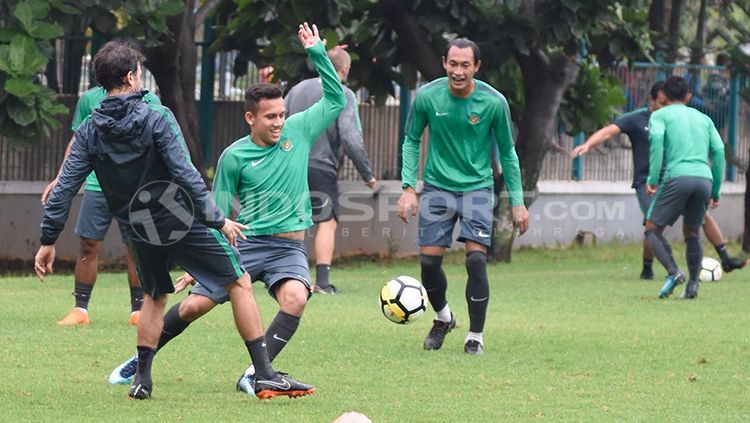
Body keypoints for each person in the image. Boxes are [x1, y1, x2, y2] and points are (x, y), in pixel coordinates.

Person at [34, 34, 316, 400]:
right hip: (179, 219)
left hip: (138, 227)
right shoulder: (157, 117)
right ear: (133, 77)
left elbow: (65, 187)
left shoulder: (89, 130)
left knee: (154, 296)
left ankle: (142, 380)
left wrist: (47, 240)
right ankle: (263, 373)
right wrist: (217, 219)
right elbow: (186, 175)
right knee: (239, 281)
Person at [107, 22, 345, 395]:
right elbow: (216, 207)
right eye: (270, 117)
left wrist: (317, 53)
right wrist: (197, 259)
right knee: (193, 307)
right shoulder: (234, 156)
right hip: (246, 244)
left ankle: (256, 373)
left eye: (282, 114)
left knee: (297, 297)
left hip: (289, 247)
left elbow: (336, 100)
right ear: (251, 118)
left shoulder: (299, 130)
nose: (279, 122)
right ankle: (141, 360)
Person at [396, 38, 529, 355]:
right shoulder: (428, 97)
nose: (458, 71)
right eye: (453, 64)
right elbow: (411, 140)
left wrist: (518, 201)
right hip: (437, 187)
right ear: (444, 63)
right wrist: (408, 188)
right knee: (429, 263)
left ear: (476, 67)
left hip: (477, 188)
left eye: (465, 65)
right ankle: (443, 318)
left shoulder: (494, 102)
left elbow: (508, 153)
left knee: (476, 259)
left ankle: (475, 336)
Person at [571, 81, 747, 278]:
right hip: (647, 183)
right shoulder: (636, 119)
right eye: (662, 103)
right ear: (652, 101)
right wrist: (587, 144)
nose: (666, 107)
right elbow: (608, 131)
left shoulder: (677, 118)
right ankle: (648, 268)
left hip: (675, 178)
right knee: (651, 223)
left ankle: (725, 258)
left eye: (667, 102)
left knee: (703, 216)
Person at [40, 41, 157, 326]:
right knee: (88, 245)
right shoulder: (89, 101)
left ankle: (138, 310)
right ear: (129, 74)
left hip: (136, 188)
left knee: (137, 247)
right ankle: (80, 309)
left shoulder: (151, 103)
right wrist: (60, 177)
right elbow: (77, 141)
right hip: (96, 185)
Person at [284, 46, 377, 294]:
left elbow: (279, 124)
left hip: (291, 161)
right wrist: (367, 174)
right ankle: (322, 282)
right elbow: (350, 137)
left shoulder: (297, 89)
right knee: (327, 221)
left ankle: (292, 276)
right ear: (344, 69)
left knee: (296, 219)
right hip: (321, 165)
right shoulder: (343, 93)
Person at [643, 76, 726, 299]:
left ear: (664, 96)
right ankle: (692, 287)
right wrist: (716, 189)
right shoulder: (704, 118)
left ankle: (673, 272)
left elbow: (657, 142)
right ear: (688, 96)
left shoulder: (659, 115)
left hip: (677, 176)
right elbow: (718, 152)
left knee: (652, 228)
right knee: (692, 232)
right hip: (704, 179)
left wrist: (652, 179)